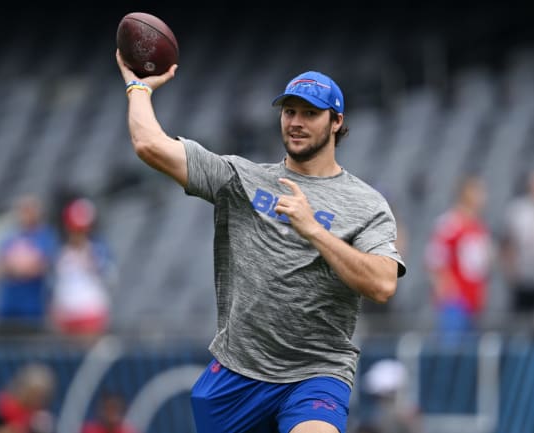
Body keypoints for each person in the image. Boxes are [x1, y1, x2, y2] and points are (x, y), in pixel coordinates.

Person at [116, 49, 406, 433]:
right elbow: (150, 146)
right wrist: (138, 87)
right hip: (238, 373)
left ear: (336, 121)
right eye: (289, 112)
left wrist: (315, 230)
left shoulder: (365, 204)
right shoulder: (241, 178)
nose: (296, 123)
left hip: (315, 373)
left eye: (310, 113)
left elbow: (383, 284)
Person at [424, 175, 492, 339]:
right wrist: (448, 290)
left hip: (473, 300)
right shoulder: (450, 223)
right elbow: (434, 260)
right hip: (456, 302)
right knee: (453, 352)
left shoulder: (478, 226)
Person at [0, 193, 60, 336]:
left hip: (33, 309)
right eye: (22, 210)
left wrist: (15, 265)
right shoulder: (10, 237)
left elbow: (40, 266)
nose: (25, 214)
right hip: (7, 307)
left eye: (29, 210)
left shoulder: (45, 236)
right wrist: (20, 265)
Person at [50, 197, 117, 340]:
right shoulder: (60, 251)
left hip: (91, 312)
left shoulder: (98, 249)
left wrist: (94, 261)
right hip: (66, 313)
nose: (78, 234)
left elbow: (111, 278)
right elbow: (54, 284)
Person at [499, 168, 534, 316]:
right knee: (521, 323)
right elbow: (507, 244)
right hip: (524, 280)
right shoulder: (518, 211)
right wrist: (511, 273)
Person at [0, 362, 56, 433]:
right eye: (35, 393)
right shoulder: (3, 406)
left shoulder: (41, 416)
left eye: (42, 395)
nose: (38, 399)